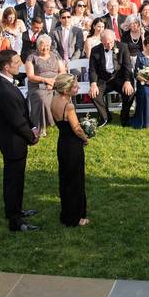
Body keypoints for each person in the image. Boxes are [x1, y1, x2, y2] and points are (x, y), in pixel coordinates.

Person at [0, 50, 40, 232]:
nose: (19, 65)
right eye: (16, 62)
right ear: (6, 66)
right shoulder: (4, 89)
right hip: (13, 142)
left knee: (15, 179)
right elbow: (16, 120)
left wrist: (32, 127)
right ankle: (15, 220)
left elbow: (21, 114)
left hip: (14, 140)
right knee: (13, 181)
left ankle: (15, 210)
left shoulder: (4, 84)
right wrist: (31, 136)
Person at [50, 74, 90, 227]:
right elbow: (77, 129)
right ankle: (76, 217)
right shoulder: (69, 106)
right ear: (66, 90)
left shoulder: (54, 100)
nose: (78, 88)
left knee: (65, 179)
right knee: (76, 180)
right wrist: (85, 139)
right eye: (75, 87)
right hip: (73, 145)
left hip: (62, 143)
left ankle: (66, 213)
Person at [89, 29, 134, 125]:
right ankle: (105, 117)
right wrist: (93, 84)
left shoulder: (123, 47)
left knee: (130, 93)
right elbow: (92, 69)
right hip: (104, 79)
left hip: (119, 78)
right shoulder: (95, 50)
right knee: (94, 95)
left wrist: (127, 81)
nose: (109, 45)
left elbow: (127, 66)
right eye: (105, 43)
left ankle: (124, 116)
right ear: (101, 41)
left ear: (114, 38)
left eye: (111, 42)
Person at [24, 35, 65, 137]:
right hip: (37, 84)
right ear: (38, 46)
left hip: (56, 83)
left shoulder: (55, 55)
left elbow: (62, 71)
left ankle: (63, 122)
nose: (45, 48)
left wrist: (53, 82)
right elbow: (30, 76)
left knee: (64, 96)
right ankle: (42, 126)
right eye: (43, 46)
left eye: (47, 45)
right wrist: (46, 80)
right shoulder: (31, 57)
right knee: (43, 99)